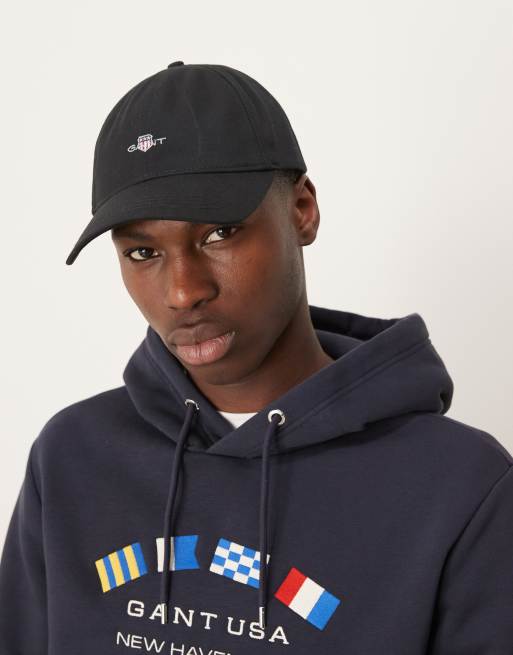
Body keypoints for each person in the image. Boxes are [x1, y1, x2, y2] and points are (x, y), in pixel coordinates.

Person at [0, 61, 512, 655]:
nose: (183, 291)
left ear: (302, 210)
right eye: (142, 252)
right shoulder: (73, 458)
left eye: (219, 234)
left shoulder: (461, 490)